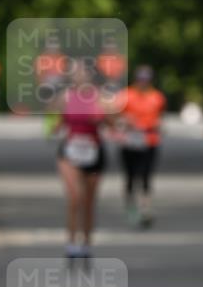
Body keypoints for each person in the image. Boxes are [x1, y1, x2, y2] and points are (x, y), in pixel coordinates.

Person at [55, 59, 109, 260]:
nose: (78, 76)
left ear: (90, 75)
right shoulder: (65, 97)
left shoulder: (101, 97)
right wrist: (54, 126)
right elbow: (57, 122)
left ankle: (86, 244)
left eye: (82, 72)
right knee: (74, 198)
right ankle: (70, 243)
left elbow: (111, 123)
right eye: (75, 73)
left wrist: (102, 116)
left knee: (88, 201)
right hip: (70, 151)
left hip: (94, 151)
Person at [115, 65, 166, 227]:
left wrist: (159, 126)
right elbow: (116, 118)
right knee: (130, 176)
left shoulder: (157, 97)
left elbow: (160, 118)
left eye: (146, 79)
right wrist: (125, 121)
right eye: (141, 79)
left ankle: (145, 210)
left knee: (145, 175)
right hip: (129, 140)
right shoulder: (126, 95)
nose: (143, 82)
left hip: (149, 140)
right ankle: (130, 206)